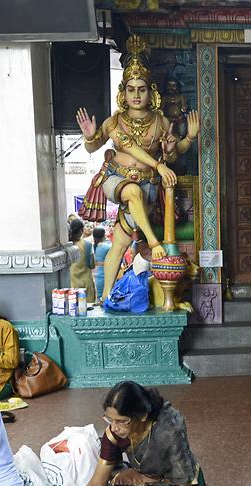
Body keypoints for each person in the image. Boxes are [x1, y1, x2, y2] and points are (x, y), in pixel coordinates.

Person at [76, 35, 199, 301]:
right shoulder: (115, 121)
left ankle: (106, 297)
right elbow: (101, 146)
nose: (136, 94)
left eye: (141, 89)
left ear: (150, 92)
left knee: (118, 246)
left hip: (149, 186)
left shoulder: (161, 122)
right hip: (116, 180)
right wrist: (88, 136)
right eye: (130, 89)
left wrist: (187, 138)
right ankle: (154, 242)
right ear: (123, 92)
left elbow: (174, 153)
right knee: (131, 192)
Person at [58, 381, 209, 486]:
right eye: (110, 420)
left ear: (143, 416)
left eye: (122, 421)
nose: (114, 428)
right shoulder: (115, 433)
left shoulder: (169, 428)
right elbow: (97, 485)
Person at [69, 219, 96, 303]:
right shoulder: (87, 245)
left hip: (71, 283)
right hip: (86, 284)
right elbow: (92, 265)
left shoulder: (67, 245)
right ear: (81, 231)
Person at [93, 226, 112, 298]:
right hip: (106, 277)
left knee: (98, 298)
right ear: (104, 235)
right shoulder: (107, 247)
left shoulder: (92, 246)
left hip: (96, 278)